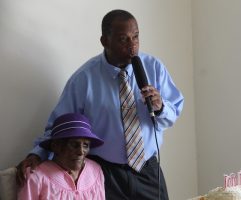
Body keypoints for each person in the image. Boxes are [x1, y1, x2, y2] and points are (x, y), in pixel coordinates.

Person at [16, 9, 184, 200]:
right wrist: (37, 154)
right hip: (105, 173)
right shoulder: (83, 79)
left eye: (136, 37)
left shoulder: (154, 67)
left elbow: (175, 109)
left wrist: (160, 107)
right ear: (105, 41)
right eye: (123, 39)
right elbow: (59, 127)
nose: (133, 45)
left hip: (147, 169)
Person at [18, 113, 105, 200]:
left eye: (85, 145)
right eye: (74, 144)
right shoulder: (36, 176)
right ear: (56, 146)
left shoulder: (96, 171)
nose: (81, 152)